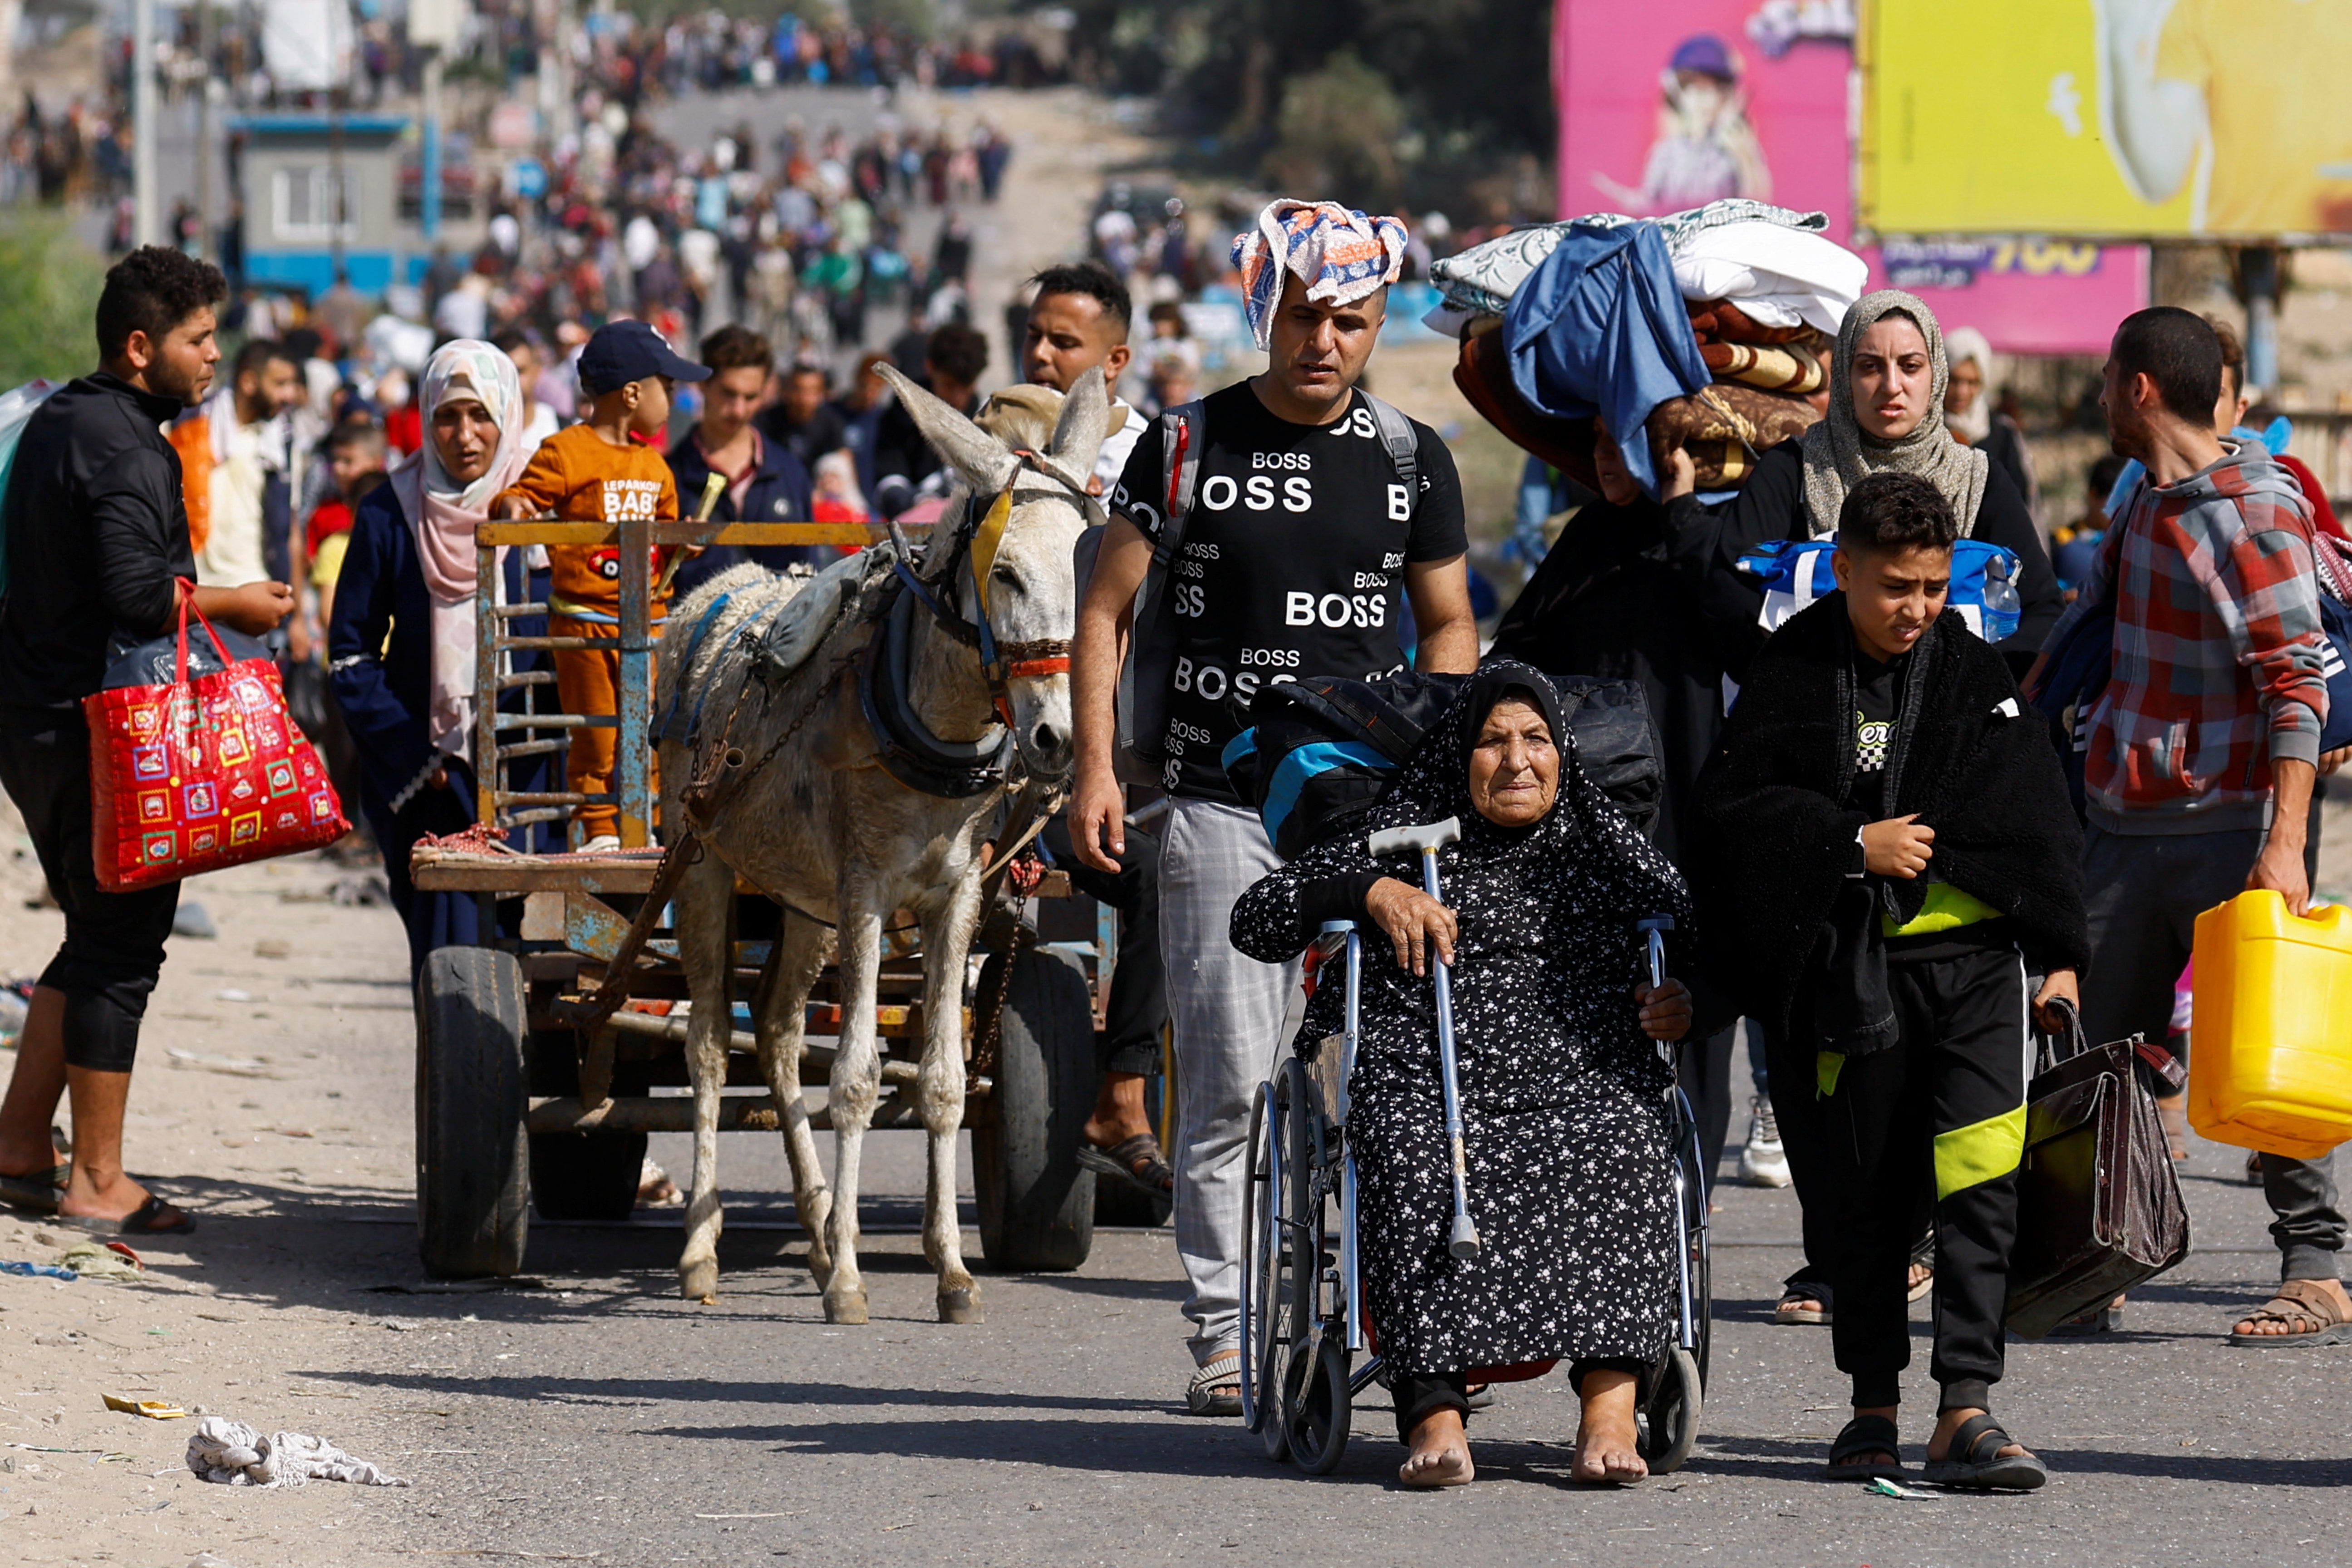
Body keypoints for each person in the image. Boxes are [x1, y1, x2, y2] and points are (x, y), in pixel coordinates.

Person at [1070, 200, 1479, 1416]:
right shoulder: (1182, 445)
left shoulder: (1411, 458)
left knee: (1394, 1076)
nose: (1324, 339)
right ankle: (1224, 1329)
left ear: (1373, 325)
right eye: (1303, 314)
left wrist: (1442, 755)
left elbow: (1449, 621)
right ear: (1267, 310)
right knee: (1235, 1078)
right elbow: (1104, 614)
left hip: (1367, 814)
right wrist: (1097, 767)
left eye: (1349, 319)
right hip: (1217, 801)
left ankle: (1387, 1315)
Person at [1695, 471, 2087, 1490]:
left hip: (1968, 979)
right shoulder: (1789, 672)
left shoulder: (1971, 672)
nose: (1913, 608)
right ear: (1844, 570)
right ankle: (1870, 1403)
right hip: (1844, 981)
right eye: (1892, 587)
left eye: (1928, 585)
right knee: (1858, 1202)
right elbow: (1733, 814)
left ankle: (1967, 1405)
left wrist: (2058, 959)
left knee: (1977, 1188)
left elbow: (2034, 826)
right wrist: (1843, 843)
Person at [1230, 663, 1703, 1487]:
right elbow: (1256, 920)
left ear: (1564, 755)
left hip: (1580, 1072)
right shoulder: (1404, 838)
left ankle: (1609, 1409)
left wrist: (1681, 1000)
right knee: (1407, 1149)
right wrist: (1369, 889)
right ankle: (1433, 1411)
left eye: (1536, 740)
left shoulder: (1606, 846)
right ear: (1459, 755)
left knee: (1627, 1138)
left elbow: (1700, 941)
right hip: (1427, 1072)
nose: (1517, 760)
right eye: (1491, 741)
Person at [2037, 306, 2350, 1346]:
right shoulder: (2141, 496)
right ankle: (2104, 1258)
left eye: (2104, 380)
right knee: (2104, 1056)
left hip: (2227, 826)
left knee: (2267, 1042)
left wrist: (2282, 840)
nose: (2093, 400)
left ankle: (2313, 1264)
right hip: (2122, 827)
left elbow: (2293, 681)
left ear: (2138, 389)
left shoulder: (2251, 505)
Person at [0, 246, 295, 1232]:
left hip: (34, 719)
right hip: (101, 729)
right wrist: (237, 604)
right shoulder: (130, 447)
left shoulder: (59, 418)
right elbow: (136, 595)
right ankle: (98, 1180)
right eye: (198, 338)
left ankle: (15, 1149)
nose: (215, 355)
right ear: (140, 347)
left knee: (93, 935)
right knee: (124, 947)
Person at [1661, 289, 2064, 682]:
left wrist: (1968, 691)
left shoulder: (1977, 477)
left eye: (1910, 366)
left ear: (1935, 373)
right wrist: (1803, 684)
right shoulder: (1795, 467)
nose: (1892, 386)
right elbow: (1731, 593)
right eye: (1870, 367)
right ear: (1844, 376)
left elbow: (2041, 609)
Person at [330, 343, 541, 970]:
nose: (465, 434)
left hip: (535, 775)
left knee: (549, 957)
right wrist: (422, 758)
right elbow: (350, 653)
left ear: (507, 413)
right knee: (450, 960)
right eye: (448, 416)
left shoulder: (545, 505)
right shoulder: (390, 511)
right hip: (432, 783)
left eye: (480, 414)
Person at [494, 320, 707, 852]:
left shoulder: (655, 465)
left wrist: (686, 542)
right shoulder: (565, 451)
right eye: (670, 388)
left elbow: (667, 537)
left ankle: (649, 821)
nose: (675, 400)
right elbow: (524, 495)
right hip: (584, 624)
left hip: (648, 625)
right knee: (596, 732)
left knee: (652, 729)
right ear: (634, 393)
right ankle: (601, 828)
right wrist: (517, 507)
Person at [664, 324, 818, 594]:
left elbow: (811, 572)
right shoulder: (668, 475)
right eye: (728, 393)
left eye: (751, 397)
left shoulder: (791, 473)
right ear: (703, 385)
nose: (738, 409)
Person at [171, 337, 301, 592]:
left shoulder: (280, 442)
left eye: (292, 384)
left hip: (253, 585)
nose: (290, 395)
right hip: (194, 585)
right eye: (280, 384)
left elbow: (289, 526)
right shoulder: (191, 425)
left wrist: (296, 609)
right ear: (249, 382)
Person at [1020, 261, 1144, 491]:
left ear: (1115, 361)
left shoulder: (1138, 458)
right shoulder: (999, 420)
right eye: (1034, 335)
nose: (1040, 353)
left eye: (1064, 343)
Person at [870, 322, 988, 517]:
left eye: (966, 386)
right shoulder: (900, 416)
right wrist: (918, 502)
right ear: (930, 368)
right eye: (949, 385)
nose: (958, 397)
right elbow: (887, 482)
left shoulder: (987, 419)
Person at [1942, 328, 2037, 521]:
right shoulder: (1923, 429)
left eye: (1972, 383)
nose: (1962, 392)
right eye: (1955, 380)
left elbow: (2019, 498)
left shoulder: (2001, 433)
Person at [756, 356, 851, 475]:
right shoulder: (767, 420)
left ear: (821, 394)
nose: (804, 398)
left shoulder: (831, 422)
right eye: (798, 390)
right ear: (787, 390)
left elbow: (844, 460)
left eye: (811, 392)